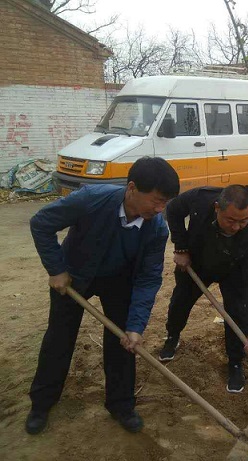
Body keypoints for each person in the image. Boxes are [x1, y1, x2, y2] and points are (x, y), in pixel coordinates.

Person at [26, 157, 180, 435]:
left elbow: (148, 278)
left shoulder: (157, 228)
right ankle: (41, 403)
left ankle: (121, 405)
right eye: (156, 201)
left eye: (165, 203)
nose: (160, 210)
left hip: (120, 279)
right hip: (74, 275)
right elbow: (41, 223)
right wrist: (57, 269)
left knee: (123, 342)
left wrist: (135, 326)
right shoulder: (90, 199)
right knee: (59, 338)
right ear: (132, 188)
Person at [158, 185, 248, 394]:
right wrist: (180, 247)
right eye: (231, 220)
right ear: (217, 208)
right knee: (181, 301)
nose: (236, 227)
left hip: (233, 267)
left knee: (236, 312)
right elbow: (173, 210)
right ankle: (172, 336)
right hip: (196, 261)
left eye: (242, 221)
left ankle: (235, 363)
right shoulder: (200, 199)